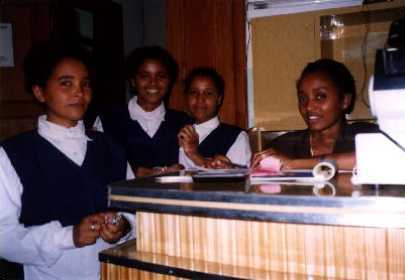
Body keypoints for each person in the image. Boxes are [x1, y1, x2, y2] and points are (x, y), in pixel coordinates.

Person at [0, 41, 134, 280]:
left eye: (85, 84)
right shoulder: (12, 155)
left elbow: (137, 211)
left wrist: (124, 226)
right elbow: (4, 237)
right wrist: (70, 236)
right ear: (40, 92)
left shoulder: (111, 148)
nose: (79, 93)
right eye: (66, 83)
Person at [252, 58, 378, 170]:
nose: (308, 106)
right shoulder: (283, 145)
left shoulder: (366, 136)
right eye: (303, 99)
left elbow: (368, 159)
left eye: (320, 96)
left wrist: (293, 164)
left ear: (345, 101)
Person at [92, 46, 192, 177]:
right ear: (133, 81)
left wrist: (181, 171)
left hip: (171, 196)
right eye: (145, 76)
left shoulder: (183, 121)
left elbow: (194, 168)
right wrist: (132, 175)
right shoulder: (107, 120)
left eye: (161, 76)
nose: (153, 83)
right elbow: (96, 167)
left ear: (169, 82)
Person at [178, 67, 251, 169]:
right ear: (186, 96)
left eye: (208, 93)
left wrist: (194, 154)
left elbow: (239, 179)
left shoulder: (235, 137)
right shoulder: (174, 130)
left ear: (219, 99)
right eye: (194, 92)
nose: (200, 99)